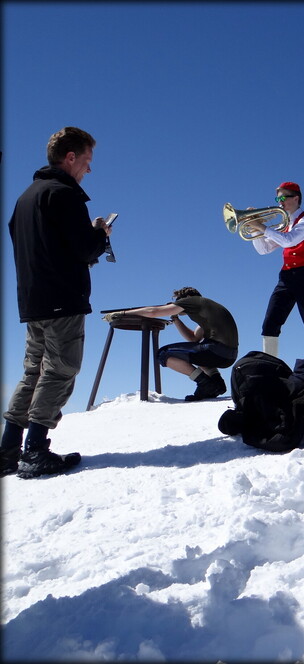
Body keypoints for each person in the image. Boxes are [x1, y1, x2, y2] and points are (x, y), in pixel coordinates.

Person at [1, 127, 111, 478]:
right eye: (87, 161)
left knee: (33, 371)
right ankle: (34, 451)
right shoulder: (64, 194)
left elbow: (43, 248)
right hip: (63, 299)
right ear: (70, 158)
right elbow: (83, 249)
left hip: (32, 301)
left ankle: (7, 450)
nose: (88, 170)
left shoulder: (25, 198)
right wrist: (100, 234)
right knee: (61, 369)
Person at [250, 181, 304, 363]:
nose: (280, 202)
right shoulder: (285, 224)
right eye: (278, 198)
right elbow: (263, 250)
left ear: (296, 198)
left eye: (283, 198)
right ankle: (270, 368)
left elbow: (289, 241)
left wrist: (263, 227)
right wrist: (254, 231)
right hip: (286, 277)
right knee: (270, 324)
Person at [113, 287, 239, 401]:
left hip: (216, 350)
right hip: (228, 355)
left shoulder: (193, 301)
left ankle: (205, 384)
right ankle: (217, 382)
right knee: (196, 351)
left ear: (187, 299)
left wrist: (123, 313)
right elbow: (193, 338)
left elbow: (153, 312)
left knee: (163, 354)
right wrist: (175, 318)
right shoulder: (206, 310)